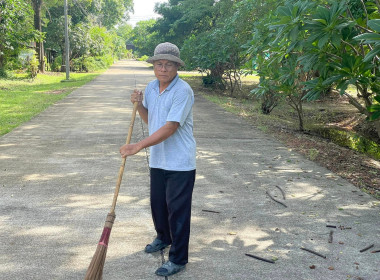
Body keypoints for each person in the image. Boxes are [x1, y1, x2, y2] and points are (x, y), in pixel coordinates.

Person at [119, 42, 196, 277]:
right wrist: (138, 104)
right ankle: (163, 238)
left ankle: (178, 259)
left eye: (169, 65)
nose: (163, 69)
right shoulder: (152, 87)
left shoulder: (183, 91)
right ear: (154, 66)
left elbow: (170, 127)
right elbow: (151, 119)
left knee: (177, 211)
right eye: (159, 64)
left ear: (176, 67)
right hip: (158, 160)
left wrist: (138, 146)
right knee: (158, 205)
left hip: (180, 162)